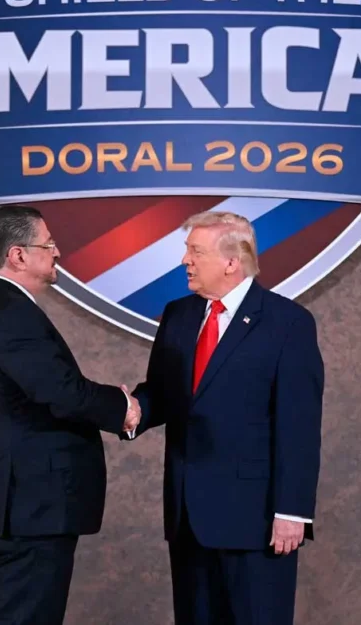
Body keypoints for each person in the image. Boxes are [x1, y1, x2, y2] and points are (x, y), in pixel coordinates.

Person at [125, 210, 324, 625]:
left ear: (232, 261)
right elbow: (162, 392)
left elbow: (299, 426)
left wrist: (292, 512)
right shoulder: (178, 315)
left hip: (256, 522)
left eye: (195, 252)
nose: (185, 261)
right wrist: (128, 410)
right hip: (187, 518)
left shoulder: (288, 323)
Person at [0, 205, 140, 625]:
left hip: (19, 506)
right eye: (49, 244)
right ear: (18, 255)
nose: (57, 253)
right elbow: (62, 393)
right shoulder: (10, 314)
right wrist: (123, 407)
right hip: (31, 508)